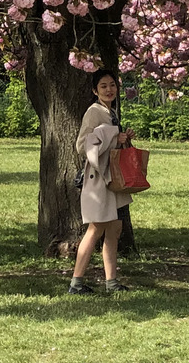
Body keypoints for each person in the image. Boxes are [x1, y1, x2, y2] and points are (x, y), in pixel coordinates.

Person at [68, 69, 134, 295]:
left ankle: (111, 282)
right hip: (99, 179)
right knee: (96, 228)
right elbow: (82, 145)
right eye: (104, 86)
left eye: (112, 85)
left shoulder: (110, 111)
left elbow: (108, 142)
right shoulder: (94, 112)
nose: (109, 90)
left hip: (110, 177)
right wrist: (112, 137)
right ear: (95, 90)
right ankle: (76, 283)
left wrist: (121, 139)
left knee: (115, 228)